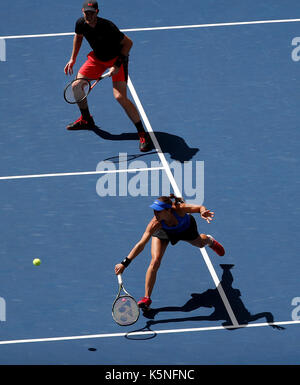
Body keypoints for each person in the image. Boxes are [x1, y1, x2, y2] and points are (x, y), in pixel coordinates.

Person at [64, 1, 151, 152]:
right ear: (82, 11)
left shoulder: (108, 26)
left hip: (116, 59)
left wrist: (117, 64)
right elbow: (78, 37)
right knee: (77, 87)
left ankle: (143, 133)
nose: (89, 15)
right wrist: (73, 59)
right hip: (97, 59)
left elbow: (128, 44)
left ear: (97, 12)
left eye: (92, 12)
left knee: (119, 97)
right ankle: (86, 119)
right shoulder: (80, 23)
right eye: (86, 12)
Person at [114, 194, 225, 309]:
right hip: (164, 232)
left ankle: (209, 240)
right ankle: (146, 298)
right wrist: (124, 263)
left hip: (185, 228)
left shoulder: (180, 209)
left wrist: (203, 212)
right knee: (155, 261)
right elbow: (141, 244)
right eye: (154, 211)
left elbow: (199, 207)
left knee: (201, 244)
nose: (155, 214)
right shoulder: (154, 224)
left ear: (168, 210)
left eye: (158, 211)